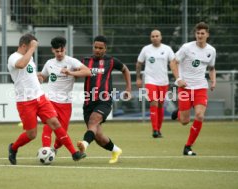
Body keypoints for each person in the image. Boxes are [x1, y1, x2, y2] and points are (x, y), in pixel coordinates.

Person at [7, 34, 86, 165]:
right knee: (32, 134)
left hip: (40, 97)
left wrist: (39, 78)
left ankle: (74, 153)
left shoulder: (29, 57)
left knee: (55, 123)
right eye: (32, 46)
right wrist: (32, 48)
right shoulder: (13, 57)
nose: (34, 49)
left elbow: (29, 74)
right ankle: (13, 148)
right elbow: (21, 65)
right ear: (24, 45)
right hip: (25, 101)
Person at [76, 35, 132, 164]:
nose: (97, 50)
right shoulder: (85, 61)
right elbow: (76, 73)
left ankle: (84, 145)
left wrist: (128, 89)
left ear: (105, 49)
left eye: (100, 48)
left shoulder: (111, 61)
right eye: (95, 47)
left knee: (94, 121)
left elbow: (125, 70)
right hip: (88, 102)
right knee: (98, 137)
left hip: (104, 100)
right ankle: (116, 150)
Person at [37, 36, 91, 153]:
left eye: (62, 50)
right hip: (50, 101)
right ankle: (45, 150)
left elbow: (88, 71)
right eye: (57, 51)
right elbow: (43, 76)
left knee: (62, 133)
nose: (60, 53)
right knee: (48, 127)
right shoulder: (49, 63)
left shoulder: (71, 62)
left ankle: (54, 149)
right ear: (53, 50)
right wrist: (38, 78)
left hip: (65, 103)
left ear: (65, 49)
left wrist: (70, 72)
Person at [170, 22, 216, 156]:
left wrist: (213, 81)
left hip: (201, 87)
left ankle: (188, 146)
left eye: (202, 33)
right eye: (198, 33)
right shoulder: (186, 48)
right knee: (184, 121)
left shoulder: (211, 50)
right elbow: (173, 61)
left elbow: (212, 68)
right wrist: (178, 79)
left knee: (200, 115)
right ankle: (179, 113)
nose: (200, 35)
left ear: (207, 35)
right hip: (185, 87)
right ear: (195, 34)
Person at [136, 30, 175, 138]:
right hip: (150, 80)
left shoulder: (167, 49)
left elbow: (173, 63)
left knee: (161, 105)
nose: (155, 38)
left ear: (161, 37)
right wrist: (138, 78)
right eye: (153, 36)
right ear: (150, 38)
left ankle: (159, 128)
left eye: (157, 36)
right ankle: (155, 130)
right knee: (154, 103)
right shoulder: (146, 49)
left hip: (163, 81)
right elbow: (139, 63)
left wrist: (178, 77)